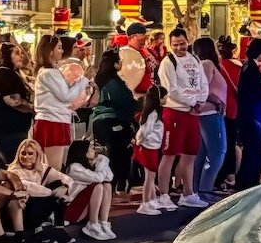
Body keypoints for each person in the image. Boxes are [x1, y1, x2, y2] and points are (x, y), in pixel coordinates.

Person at [154, 27, 208, 212]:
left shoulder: (194, 59)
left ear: (188, 41)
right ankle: (163, 195)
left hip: (192, 113)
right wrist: (192, 102)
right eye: (175, 44)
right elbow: (171, 89)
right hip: (175, 112)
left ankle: (188, 193)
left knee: (190, 153)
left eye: (182, 43)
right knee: (169, 154)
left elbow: (203, 83)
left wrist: (200, 101)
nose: (179, 47)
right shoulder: (168, 62)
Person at [4, 139, 75, 243]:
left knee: (59, 185)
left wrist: (64, 188)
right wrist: (51, 193)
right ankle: (36, 232)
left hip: (37, 206)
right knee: (44, 197)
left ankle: (58, 229)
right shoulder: (14, 170)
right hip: (20, 209)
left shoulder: (43, 168)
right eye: (23, 153)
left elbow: (67, 179)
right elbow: (28, 187)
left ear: (37, 155)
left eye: (30, 153)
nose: (26, 156)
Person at [0, 42, 34, 173]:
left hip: (9, 132)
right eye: (16, 53)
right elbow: (13, 101)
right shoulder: (4, 74)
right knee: (7, 167)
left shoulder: (10, 73)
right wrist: (35, 108)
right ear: (5, 56)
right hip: (5, 133)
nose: (21, 56)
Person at [90, 50, 138, 197]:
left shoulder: (99, 80)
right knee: (120, 154)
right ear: (114, 63)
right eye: (119, 61)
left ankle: (109, 187)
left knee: (109, 154)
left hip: (98, 122)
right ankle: (118, 186)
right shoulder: (114, 83)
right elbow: (126, 103)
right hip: (114, 120)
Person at [186, 37, 227, 208]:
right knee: (218, 151)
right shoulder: (207, 64)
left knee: (201, 154)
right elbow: (204, 89)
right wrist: (217, 101)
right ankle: (205, 189)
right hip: (210, 113)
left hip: (205, 113)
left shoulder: (201, 65)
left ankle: (195, 190)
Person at [32, 56, 92, 171]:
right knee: (52, 170)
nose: (75, 79)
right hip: (51, 122)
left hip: (61, 121)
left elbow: (77, 100)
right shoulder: (48, 74)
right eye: (73, 75)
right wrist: (84, 80)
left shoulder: (70, 85)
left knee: (58, 168)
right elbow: (66, 97)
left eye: (78, 76)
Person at [236, 38, 261, 191]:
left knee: (254, 148)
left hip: (252, 115)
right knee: (254, 148)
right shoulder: (250, 69)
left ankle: (249, 178)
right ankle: (248, 180)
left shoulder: (249, 67)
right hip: (253, 116)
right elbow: (255, 94)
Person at [63, 139, 116, 241]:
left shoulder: (90, 164)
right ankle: (92, 224)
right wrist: (103, 160)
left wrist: (99, 161)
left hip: (85, 208)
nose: (94, 151)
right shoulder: (74, 167)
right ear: (83, 151)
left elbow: (110, 177)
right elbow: (99, 178)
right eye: (91, 148)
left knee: (107, 186)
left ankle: (103, 222)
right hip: (72, 210)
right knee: (98, 186)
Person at [133, 87, 169, 215]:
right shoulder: (153, 113)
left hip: (152, 147)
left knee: (150, 176)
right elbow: (145, 130)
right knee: (149, 177)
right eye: (164, 97)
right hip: (149, 147)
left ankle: (152, 200)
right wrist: (140, 141)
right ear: (158, 98)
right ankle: (145, 203)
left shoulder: (155, 113)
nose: (166, 99)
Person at [215, 36, 242, 194]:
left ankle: (220, 175)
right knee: (232, 142)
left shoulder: (218, 66)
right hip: (234, 108)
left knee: (220, 144)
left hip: (218, 108)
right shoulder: (238, 66)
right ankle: (231, 174)